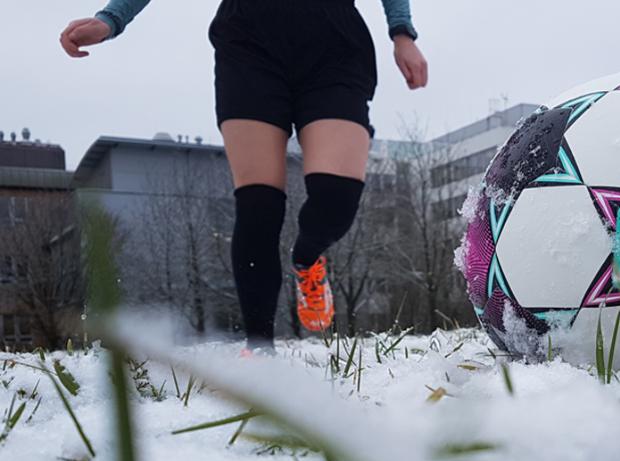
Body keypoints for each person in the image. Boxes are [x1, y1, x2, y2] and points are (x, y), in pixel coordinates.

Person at [60, 0, 428, 353]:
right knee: (258, 206)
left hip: (334, 45)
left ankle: (307, 257)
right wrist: (112, 18)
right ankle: (260, 348)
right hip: (250, 44)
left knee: (337, 197)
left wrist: (402, 33)